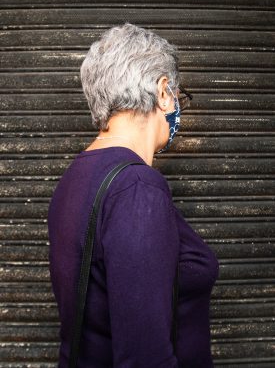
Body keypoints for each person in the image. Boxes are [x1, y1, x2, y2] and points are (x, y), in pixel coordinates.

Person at [47, 22, 220, 367]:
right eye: (178, 96)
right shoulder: (137, 188)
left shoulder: (76, 176)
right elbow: (145, 358)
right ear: (163, 91)